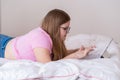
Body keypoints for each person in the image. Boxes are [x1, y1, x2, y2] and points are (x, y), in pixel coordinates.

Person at [0, 9, 95, 63]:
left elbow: (56, 54)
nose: (67, 32)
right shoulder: (41, 38)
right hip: (2, 46)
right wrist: (75, 56)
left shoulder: (49, 37)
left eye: (68, 28)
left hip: (10, 41)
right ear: (54, 27)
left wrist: (78, 51)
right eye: (65, 29)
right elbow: (48, 66)